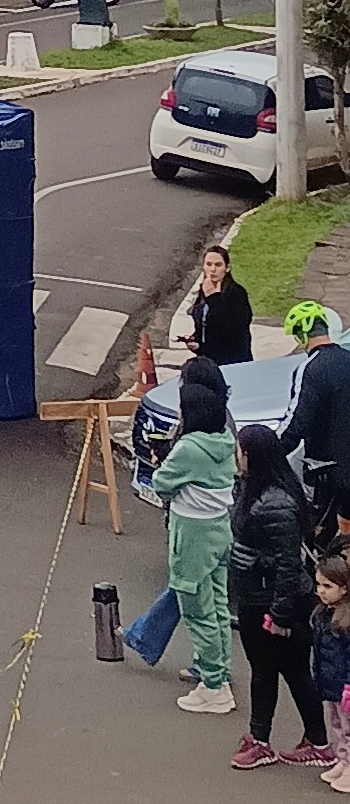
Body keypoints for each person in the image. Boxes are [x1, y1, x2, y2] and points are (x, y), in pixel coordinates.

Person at [227, 422, 328, 768]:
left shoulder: (274, 503)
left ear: (250, 455)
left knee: (281, 670)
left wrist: (279, 616)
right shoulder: (258, 489)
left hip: (268, 601)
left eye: (239, 449)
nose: (235, 455)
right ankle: (310, 739)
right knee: (279, 670)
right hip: (260, 596)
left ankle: (267, 740)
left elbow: (288, 563)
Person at [156, 376, 238, 714]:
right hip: (219, 528)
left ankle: (214, 686)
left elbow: (162, 481)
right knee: (217, 605)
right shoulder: (225, 440)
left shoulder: (189, 448)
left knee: (196, 608)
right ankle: (218, 671)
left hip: (192, 532)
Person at [279, 300, 350, 545]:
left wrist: (270, 452)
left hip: (326, 470)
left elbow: (296, 423)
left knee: (320, 540)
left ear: (302, 335)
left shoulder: (310, 368)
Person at [183, 245, 254, 366]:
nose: (213, 269)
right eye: (208, 264)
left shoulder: (236, 293)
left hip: (233, 362)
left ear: (227, 268)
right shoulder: (204, 290)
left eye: (218, 265)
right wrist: (196, 341)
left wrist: (213, 298)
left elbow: (234, 329)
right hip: (208, 361)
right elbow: (204, 323)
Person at [316, 555, 350, 790]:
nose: (321, 591)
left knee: (349, 728)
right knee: (337, 725)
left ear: (345, 587)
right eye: (318, 585)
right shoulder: (323, 613)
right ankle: (343, 760)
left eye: (328, 586)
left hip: (345, 685)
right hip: (331, 683)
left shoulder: (346, 621)